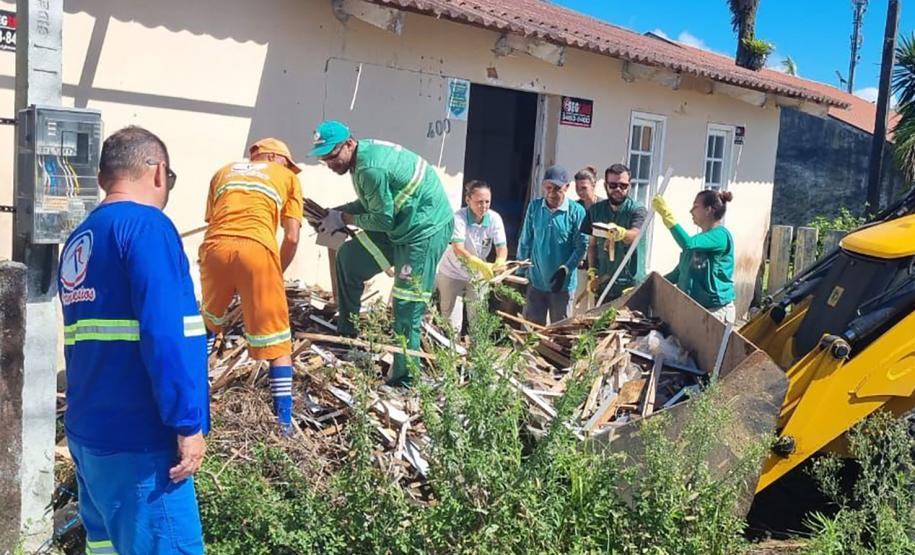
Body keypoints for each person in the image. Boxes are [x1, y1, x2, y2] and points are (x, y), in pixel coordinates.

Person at [59, 126, 208, 554]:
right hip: (141, 443)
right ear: (158, 172)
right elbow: (168, 334)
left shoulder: (82, 237)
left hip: (90, 438)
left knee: (104, 546)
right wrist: (187, 423)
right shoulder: (147, 227)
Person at [309, 120, 453, 386]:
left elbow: (382, 220)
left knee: (406, 306)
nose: (330, 164)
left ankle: (406, 380)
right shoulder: (361, 161)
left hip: (423, 230)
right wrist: (334, 213)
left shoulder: (369, 169)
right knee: (349, 259)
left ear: (349, 143)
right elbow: (372, 205)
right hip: (400, 223)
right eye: (324, 159)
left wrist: (343, 217)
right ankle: (347, 337)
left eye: (332, 155)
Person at [199, 138, 302, 433]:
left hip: (214, 248)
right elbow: (292, 237)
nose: (289, 168)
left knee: (208, 325)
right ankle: (283, 425)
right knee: (279, 339)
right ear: (272, 156)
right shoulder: (288, 179)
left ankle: (196, 407)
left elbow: (213, 220)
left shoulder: (224, 171)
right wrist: (274, 273)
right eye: (287, 161)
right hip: (257, 250)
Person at [517, 165, 588, 325]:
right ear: (543, 186)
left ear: (567, 187)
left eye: (557, 189)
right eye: (548, 187)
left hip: (562, 285)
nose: (551, 193)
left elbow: (581, 246)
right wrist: (521, 272)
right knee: (532, 331)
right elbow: (526, 240)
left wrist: (566, 269)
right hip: (537, 282)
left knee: (560, 331)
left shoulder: (576, 212)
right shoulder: (535, 207)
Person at [652, 190, 736, 323]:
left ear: (709, 209)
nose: (691, 211)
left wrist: (667, 216)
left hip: (715, 311)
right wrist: (649, 284)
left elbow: (688, 244)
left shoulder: (720, 236)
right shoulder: (699, 240)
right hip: (693, 308)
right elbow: (679, 272)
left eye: (696, 206)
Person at [436, 180, 508, 332]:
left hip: (477, 274)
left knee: (478, 318)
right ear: (468, 200)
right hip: (453, 272)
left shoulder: (494, 218)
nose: (484, 206)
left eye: (487, 201)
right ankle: (451, 352)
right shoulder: (458, 218)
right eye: (479, 202)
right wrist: (477, 262)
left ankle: (477, 351)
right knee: (451, 322)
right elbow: (458, 248)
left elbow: (502, 247)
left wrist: (500, 261)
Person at [586, 163, 648, 303]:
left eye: (623, 186)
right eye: (613, 185)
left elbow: (635, 235)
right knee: (600, 324)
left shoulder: (637, 210)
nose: (618, 189)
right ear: (605, 186)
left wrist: (620, 233)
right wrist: (592, 271)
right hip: (604, 283)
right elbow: (592, 245)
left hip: (629, 286)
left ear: (629, 186)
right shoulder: (595, 210)